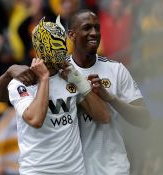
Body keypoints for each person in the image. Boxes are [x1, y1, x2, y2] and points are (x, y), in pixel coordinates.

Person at [0, 10, 150, 175]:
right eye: (87, 28)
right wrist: (10, 72)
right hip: (43, 170)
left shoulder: (77, 76)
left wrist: (97, 91)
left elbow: (107, 117)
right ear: (71, 35)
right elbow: (4, 99)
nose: (94, 33)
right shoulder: (31, 78)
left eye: (97, 28)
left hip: (100, 168)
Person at [7, 16, 110, 175]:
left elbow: (104, 117)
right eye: (54, 44)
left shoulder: (70, 78)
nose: (60, 50)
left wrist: (79, 82)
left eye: (61, 42)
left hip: (75, 171)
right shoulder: (21, 83)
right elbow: (35, 119)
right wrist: (44, 78)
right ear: (40, 47)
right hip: (38, 171)